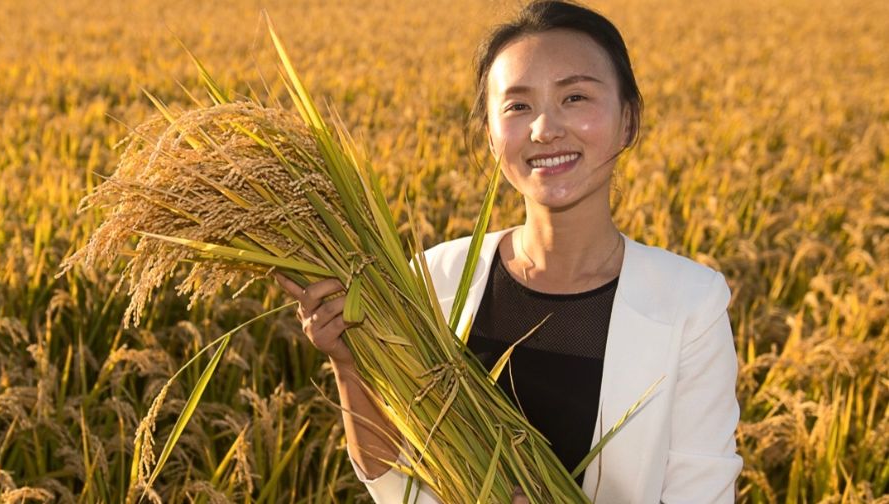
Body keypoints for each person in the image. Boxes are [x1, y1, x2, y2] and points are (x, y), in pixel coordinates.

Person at [275, 1, 743, 502]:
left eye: (576, 97)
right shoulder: (434, 278)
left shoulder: (691, 303)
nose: (545, 129)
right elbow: (395, 482)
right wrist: (349, 363)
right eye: (518, 106)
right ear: (490, 134)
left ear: (628, 120)